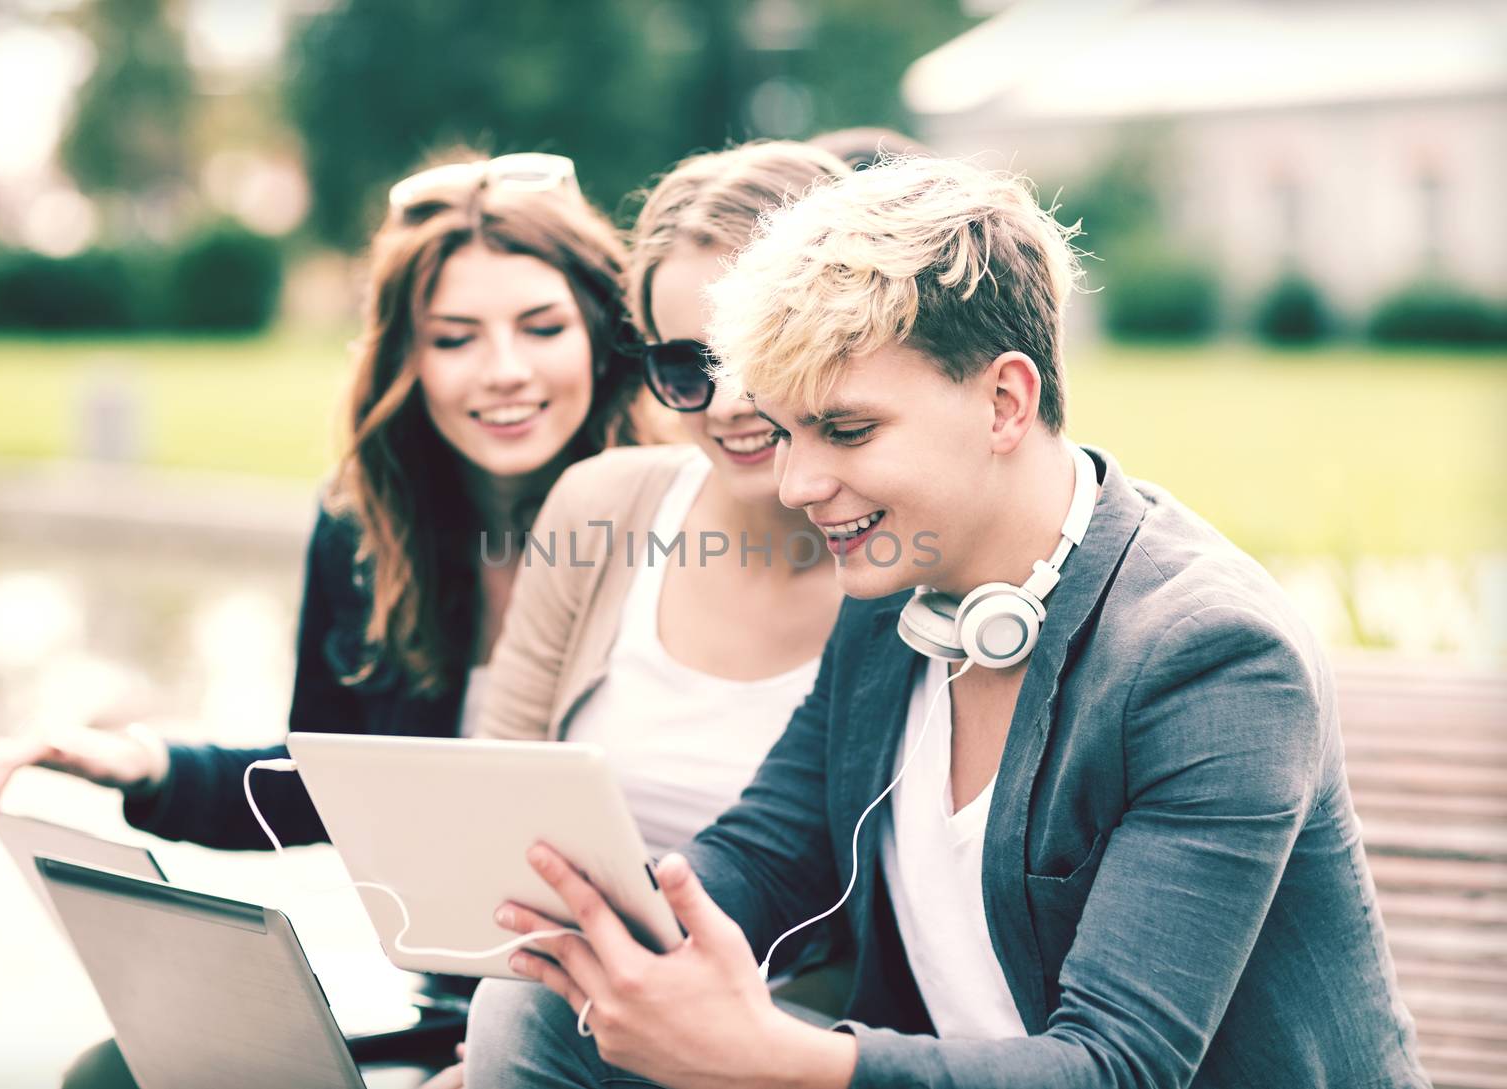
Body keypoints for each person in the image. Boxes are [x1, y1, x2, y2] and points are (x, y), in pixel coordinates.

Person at [467, 157, 1432, 1088]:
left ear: (1005, 400)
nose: (800, 484)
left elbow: (1121, 1067)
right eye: (788, 431)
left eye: (845, 430)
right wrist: (605, 925)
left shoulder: (1210, 657)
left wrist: (771, 1056)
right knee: (537, 1011)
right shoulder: (896, 590)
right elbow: (769, 853)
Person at [0, 150, 643, 1083]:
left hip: (612, 1014)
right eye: (453, 338)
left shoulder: (680, 525)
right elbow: (323, 784)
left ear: (603, 335)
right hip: (445, 1000)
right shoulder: (366, 534)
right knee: (116, 1070)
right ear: (405, 355)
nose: (504, 372)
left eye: (542, 326)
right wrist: (144, 762)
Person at [440, 143, 853, 1085]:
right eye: (685, 366)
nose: (730, 402)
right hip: (556, 1015)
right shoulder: (601, 506)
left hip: (789, 1040)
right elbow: (489, 821)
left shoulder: (901, 563)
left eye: (759, 353)